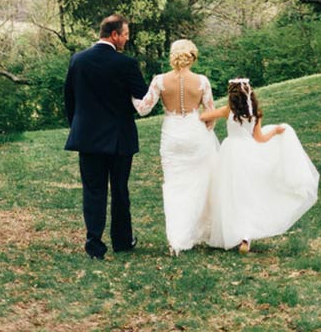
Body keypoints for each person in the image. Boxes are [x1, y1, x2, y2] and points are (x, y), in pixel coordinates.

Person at [200, 77, 319, 254]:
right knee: (249, 193)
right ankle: (246, 237)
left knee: (231, 193)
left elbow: (203, 116)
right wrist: (275, 132)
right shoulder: (256, 114)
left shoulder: (228, 111)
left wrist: (205, 116)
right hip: (248, 153)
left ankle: (233, 231)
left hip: (230, 153)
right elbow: (260, 139)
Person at [64, 14, 148, 259]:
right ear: (114, 35)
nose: (126, 40)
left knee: (93, 190)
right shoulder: (126, 64)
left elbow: (69, 98)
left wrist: (78, 127)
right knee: (119, 190)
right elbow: (141, 96)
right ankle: (122, 241)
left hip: (87, 137)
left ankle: (94, 245)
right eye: (125, 35)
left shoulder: (77, 60)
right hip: (119, 138)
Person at [131, 39, 219, 255]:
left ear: (172, 56)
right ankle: (198, 231)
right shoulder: (202, 81)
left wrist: (131, 95)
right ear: (192, 56)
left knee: (174, 186)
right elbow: (210, 114)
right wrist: (206, 126)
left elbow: (143, 109)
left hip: (171, 135)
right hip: (194, 132)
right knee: (199, 183)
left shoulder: (160, 81)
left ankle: (177, 240)